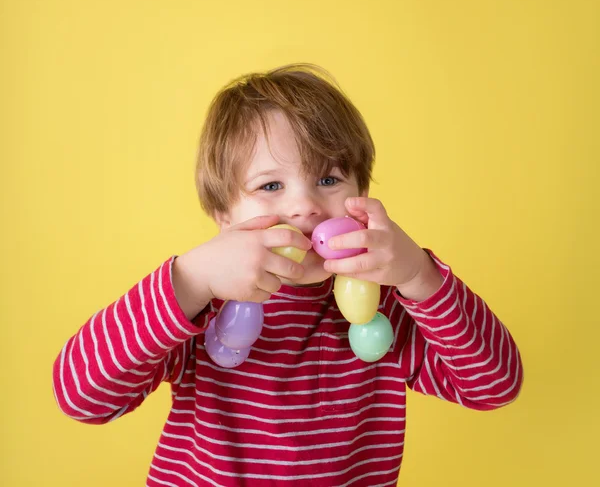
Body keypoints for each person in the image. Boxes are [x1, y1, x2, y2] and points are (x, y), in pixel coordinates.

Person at [52, 64, 523, 487]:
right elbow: (82, 397)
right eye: (271, 185)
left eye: (329, 179)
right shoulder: (197, 305)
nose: (305, 207)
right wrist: (190, 278)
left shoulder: (384, 311)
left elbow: (495, 386)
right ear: (223, 215)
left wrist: (419, 275)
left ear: (362, 193)